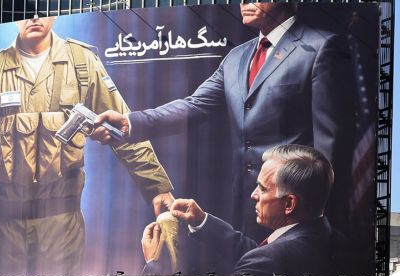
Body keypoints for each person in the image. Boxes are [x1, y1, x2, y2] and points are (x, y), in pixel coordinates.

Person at [0, 14, 175, 276]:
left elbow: (122, 128)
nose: (34, 17)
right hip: (3, 226)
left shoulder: (82, 63)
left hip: (62, 227)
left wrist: (157, 186)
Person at [91, 2, 353, 242]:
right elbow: (194, 106)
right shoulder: (237, 57)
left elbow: (330, 148)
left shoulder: (321, 47)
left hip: (296, 212)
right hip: (246, 205)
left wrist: (321, 221)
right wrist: (129, 123)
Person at [143, 145, 337, 276]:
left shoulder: (266, 261)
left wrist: (154, 264)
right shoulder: (327, 238)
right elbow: (262, 254)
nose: (254, 194)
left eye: (262, 188)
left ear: (289, 204)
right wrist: (201, 221)